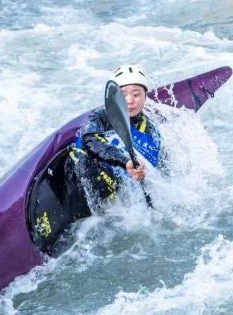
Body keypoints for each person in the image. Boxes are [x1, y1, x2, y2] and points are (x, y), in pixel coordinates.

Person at [66, 64, 167, 209]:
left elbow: (160, 166)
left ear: (145, 96)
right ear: (114, 97)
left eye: (136, 94)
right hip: (89, 177)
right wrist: (125, 161)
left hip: (122, 190)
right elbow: (91, 140)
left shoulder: (150, 129)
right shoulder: (101, 116)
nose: (130, 100)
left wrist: (141, 172)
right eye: (123, 95)